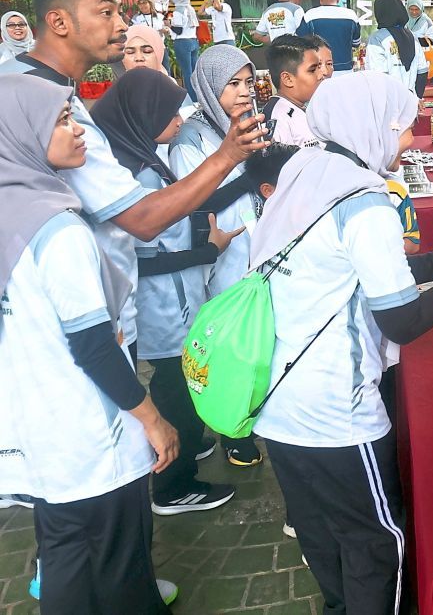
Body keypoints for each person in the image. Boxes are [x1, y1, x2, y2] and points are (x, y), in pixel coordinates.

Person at [248, 72, 433, 614]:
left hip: (278, 400)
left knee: (323, 538)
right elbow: (402, 321)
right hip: (339, 413)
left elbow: (355, 271)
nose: (407, 142)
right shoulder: (365, 200)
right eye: (401, 129)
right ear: (369, 126)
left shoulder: (305, 172)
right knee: (376, 545)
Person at [0, 0, 264, 371]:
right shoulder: (41, 101)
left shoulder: (25, 85)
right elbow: (142, 218)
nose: (121, 25)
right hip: (64, 329)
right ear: (59, 21)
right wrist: (228, 155)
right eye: (106, 12)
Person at [0, 74, 181, 614]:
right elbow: (95, 347)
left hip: (39, 431)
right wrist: (153, 420)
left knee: (65, 561)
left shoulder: (10, 214)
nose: (79, 130)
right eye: (60, 120)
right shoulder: (59, 232)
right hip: (90, 432)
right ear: (23, 132)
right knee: (121, 568)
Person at [91, 69, 241, 515]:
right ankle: (174, 487)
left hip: (174, 296)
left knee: (179, 380)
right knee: (176, 384)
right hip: (159, 304)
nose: (180, 120)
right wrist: (206, 254)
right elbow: (143, 254)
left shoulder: (143, 155)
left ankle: (187, 444)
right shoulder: (126, 175)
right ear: (143, 115)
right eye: (169, 112)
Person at [170, 44, 268, 468]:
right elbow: (191, 200)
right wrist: (248, 170)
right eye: (233, 84)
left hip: (254, 243)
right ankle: (233, 431)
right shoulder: (190, 138)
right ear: (210, 87)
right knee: (229, 342)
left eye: (248, 82)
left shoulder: (245, 122)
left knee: (256, 335)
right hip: (219, 253)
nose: (245, 92)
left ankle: (251, 412)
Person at [262, 35, 328, 147]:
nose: (322, 74)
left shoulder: (305, 107)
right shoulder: (277, 119)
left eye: (319, 67)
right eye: (312, 70)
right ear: (287, 79)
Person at [367, 0, 425, 96]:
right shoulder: (412, 37)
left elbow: (378, 76)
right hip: (410, 101)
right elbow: (422, 71)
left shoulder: (377, 38)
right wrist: (417, 98)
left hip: (389, 102)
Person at [296, 0, 361, 72]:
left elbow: (300, 43)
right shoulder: (351, 15)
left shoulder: (310, 15)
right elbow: (356, 43)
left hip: (320, 70)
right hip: (345, 69)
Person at [168, 0, 200, 99]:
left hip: (182, 42)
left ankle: (192, 98)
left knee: (186, 73)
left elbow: (178, 29)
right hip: (193, 41)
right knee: (193, 72)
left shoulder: (178, 10)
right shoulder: (190, 8)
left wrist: (168, 24)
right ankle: (199, 96)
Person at [129, 0, 172, 72]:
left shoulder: (160, 17)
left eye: (144, 3)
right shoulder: (136, 19)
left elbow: (168, 31)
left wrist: (166, 30)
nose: (142, 5)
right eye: (140, 3)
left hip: (160, 47)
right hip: (145, 50)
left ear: (150, 3)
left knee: (165, 71)